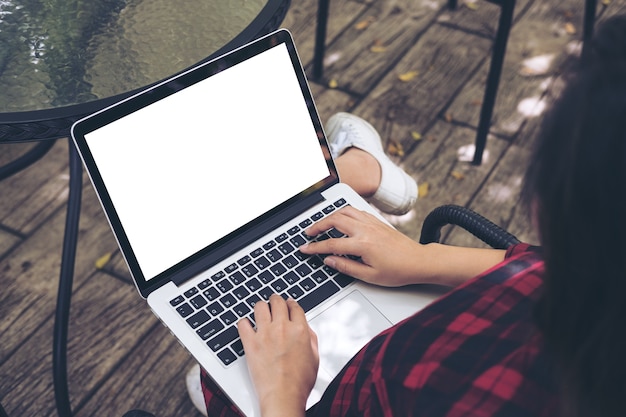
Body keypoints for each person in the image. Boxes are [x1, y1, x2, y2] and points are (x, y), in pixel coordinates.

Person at [195, 15, 626, 417]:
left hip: (320, 395)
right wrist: (421, 258)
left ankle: (358, 170)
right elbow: (561, 268)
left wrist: (281, 396)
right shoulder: (598, 280)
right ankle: (357, 172)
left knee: (220, 368)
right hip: (383, 345)